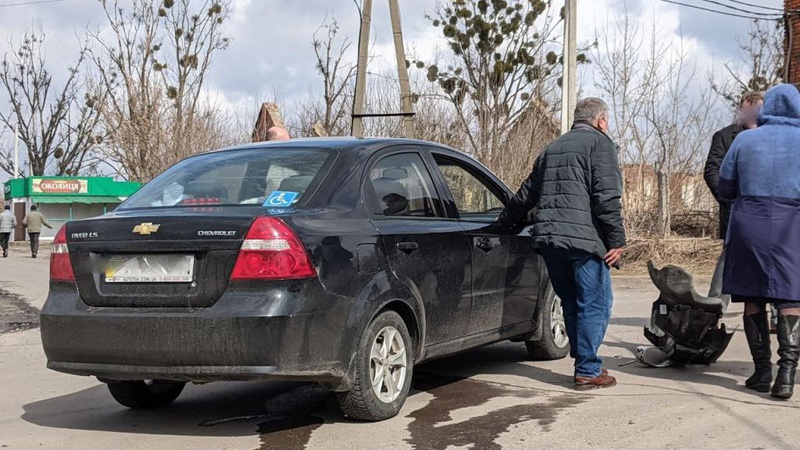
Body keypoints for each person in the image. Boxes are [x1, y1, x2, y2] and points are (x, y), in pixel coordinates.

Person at [499, 97, 626, 390]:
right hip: (583, 241)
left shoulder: (552, 148)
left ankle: (583, 360)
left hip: (550, 240)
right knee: (596, 303)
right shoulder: (601, 145)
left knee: (571, 301)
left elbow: (525, 194)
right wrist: (617, 241)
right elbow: (606, 197)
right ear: (601, 121)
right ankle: (588, 369)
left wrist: (504, 224)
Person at [718, 84, 800, 399]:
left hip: (748, 222)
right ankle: (788, 374)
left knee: (753, 295)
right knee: (790, 297)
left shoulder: (745, 140)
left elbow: (725, 187)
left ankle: (762, 372)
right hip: (791, 224)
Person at [703, 91, 763, 313]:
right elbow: (712, 170)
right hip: (737, 210)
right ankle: (714, 307)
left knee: (773, 261)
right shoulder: (725, 136)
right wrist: (727, 198)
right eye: (750, 108)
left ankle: (778, 313)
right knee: (730, 257)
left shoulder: (771, 136)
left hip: (767, 212)